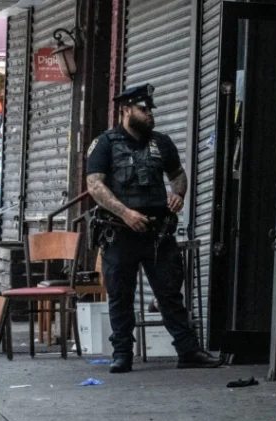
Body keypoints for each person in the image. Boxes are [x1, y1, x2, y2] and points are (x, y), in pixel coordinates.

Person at [86, 84, 222, 373]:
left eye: (150, 109)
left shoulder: (162, 142)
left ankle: (188, 351)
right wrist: (125, 213)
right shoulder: (105, 143)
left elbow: (178, 175)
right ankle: (122, 353)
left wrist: (178, 194)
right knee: (121, 295)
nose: (149, 114)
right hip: (119, 232)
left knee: (170, 293)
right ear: (125, 110)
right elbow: (94, 185)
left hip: (157, 233)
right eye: (142, 109)